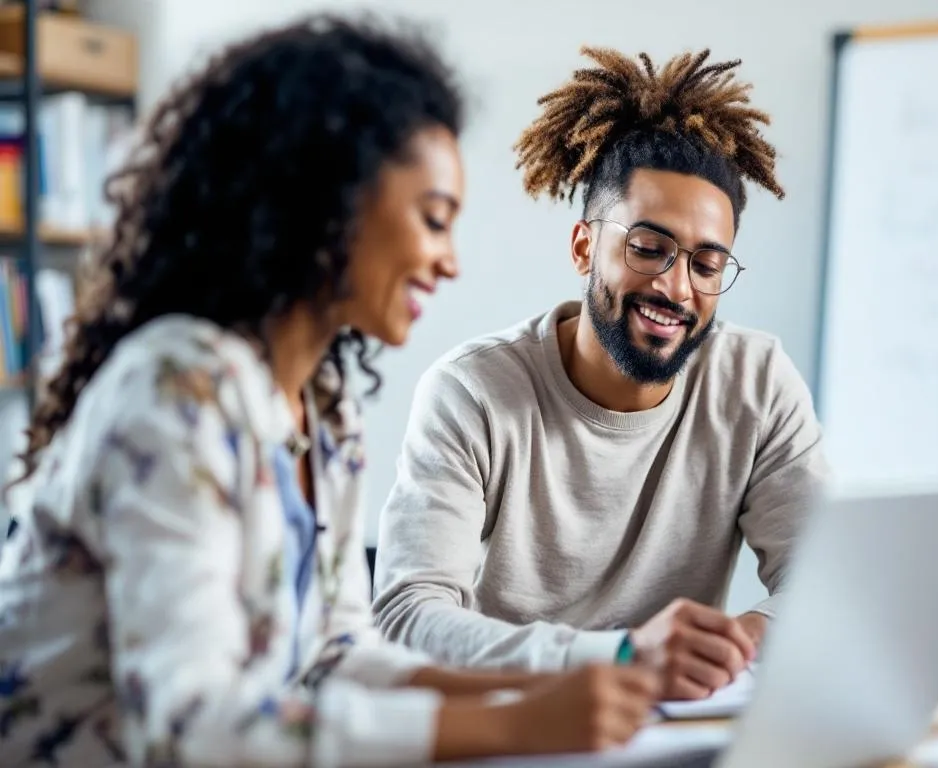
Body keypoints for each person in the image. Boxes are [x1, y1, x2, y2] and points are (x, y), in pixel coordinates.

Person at [0, 16, 658, 767]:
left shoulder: (325, 406)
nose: (449, 263)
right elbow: (186, 728)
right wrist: (517, 725)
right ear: (327, 199)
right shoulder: (174, 389)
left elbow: (334, 658)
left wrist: (546, 693)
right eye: (434, 220)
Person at [373, 46, 828, 700]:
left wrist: (735, 643)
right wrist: (618, 656)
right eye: (649, 249)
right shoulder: (472, 391)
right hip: (515, 730)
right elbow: (407, 615)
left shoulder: (756, 380)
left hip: (670, 735)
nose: (677, 287)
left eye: (707, 265)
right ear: (585, 245)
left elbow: (822, 585)